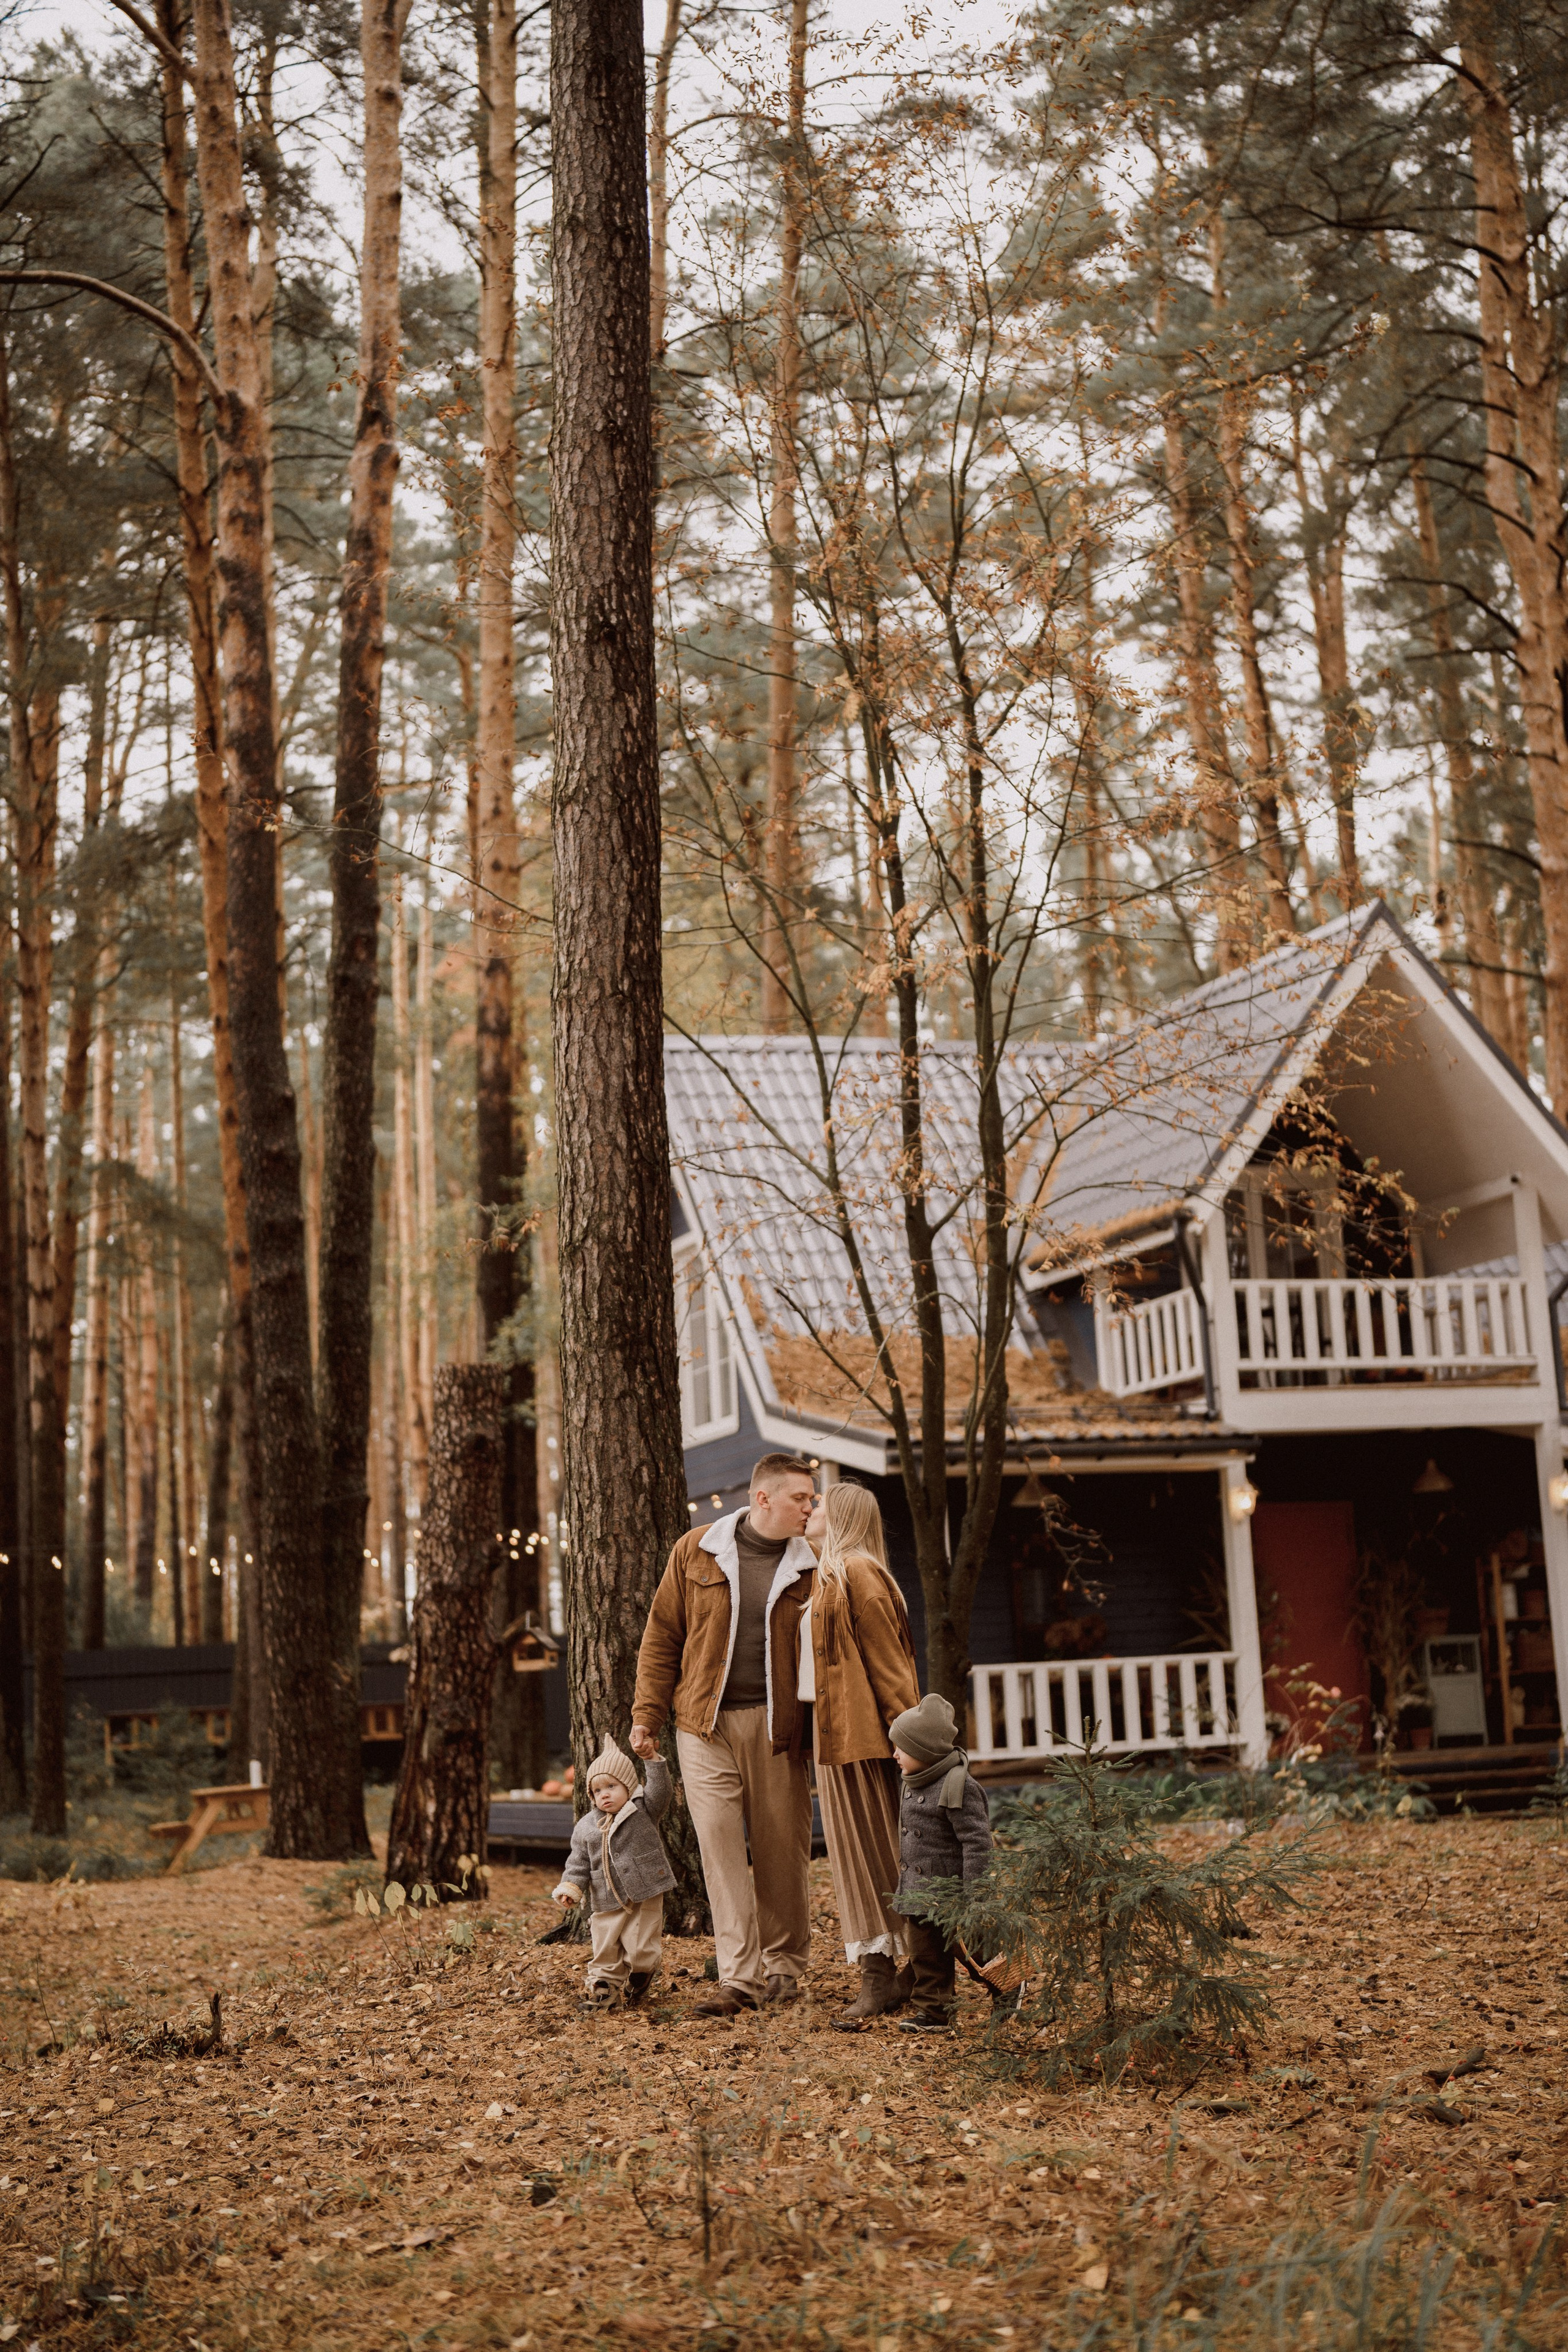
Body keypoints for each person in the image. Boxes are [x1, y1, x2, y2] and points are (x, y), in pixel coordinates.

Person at [631, 1454, 817, 2016]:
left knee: (782, 1849)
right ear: (764, 1499)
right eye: (800, 1499)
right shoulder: (697, 1549)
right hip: (701, 1725)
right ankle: (741, 1980)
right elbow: (663, 1635)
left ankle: (784, 1968)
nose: (810, 1508)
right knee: (719, 1848)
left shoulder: (814, 1565)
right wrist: (647, 1714)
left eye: (812, 1499)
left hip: (776, 1727)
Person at [801, 1480, 922, 2028]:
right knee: (854, 1858)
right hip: (835, 1738)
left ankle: (921, 1972)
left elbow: (890, 1663)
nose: (810, 1509)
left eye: (819, 1503)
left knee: (885, 1854)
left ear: (844, 1515)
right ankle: (882, 1974)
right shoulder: (829, 1572)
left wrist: (913, 1738)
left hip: (868, 1739)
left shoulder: (859, 1572)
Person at [887, 1692, 993, 2032]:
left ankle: (1008, 1986)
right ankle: (934, 2014)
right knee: (926, 1957)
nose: (895, 1754)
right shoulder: (912, 1782)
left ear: (924, 1751)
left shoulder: (959, 1785)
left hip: (950, 1893)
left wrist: (973, 1892)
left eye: (901, 1748)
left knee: (972, 1952)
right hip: (918, 1892)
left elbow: (977, 1842)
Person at [551, 1737, 676, 2008]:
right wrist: (572, 1887)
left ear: (628, 1787)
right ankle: (604, 1991)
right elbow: (578, 1862)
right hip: (605, 1897)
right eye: (597, 1791)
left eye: (611, 1786)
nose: (604, 1794)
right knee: (605, 1946)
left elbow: (662, 1791)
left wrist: (653, 1760)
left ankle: (642, 1973)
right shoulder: (586, 1826)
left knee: (641, 1945)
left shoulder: (644, 1810)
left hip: (644, 1892)